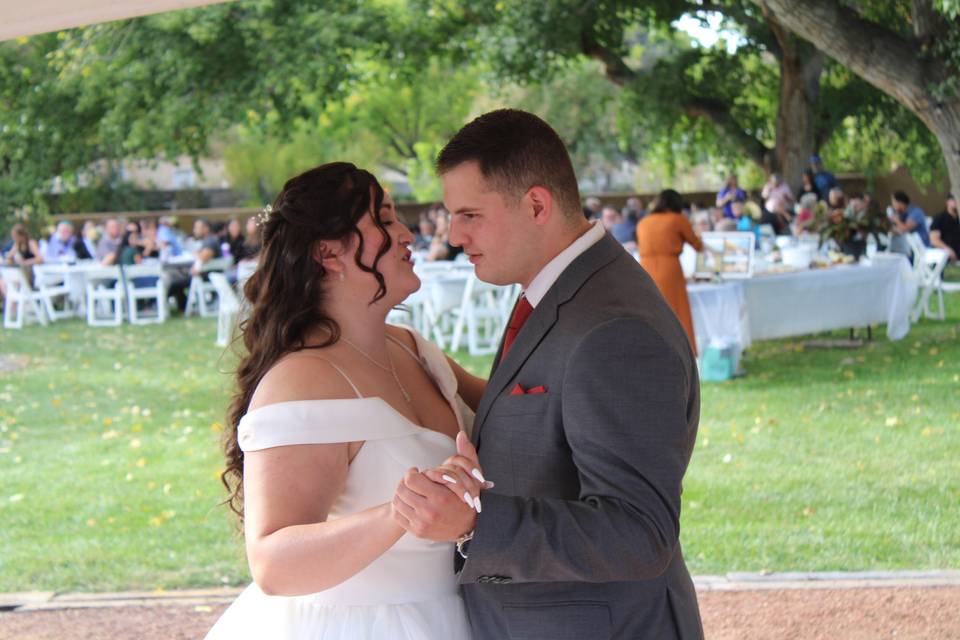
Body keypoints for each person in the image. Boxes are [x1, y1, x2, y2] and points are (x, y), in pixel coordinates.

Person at [395, 109, 703, 639]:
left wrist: (475, 524)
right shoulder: (564, 290)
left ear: (536, 204)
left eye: (470, 214)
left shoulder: (613, 328)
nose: (454, 235)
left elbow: (638, 532)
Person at [205, 163, 484, 639]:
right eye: (384, 220)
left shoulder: (414, 348)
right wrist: (398, 514)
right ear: (330, 253)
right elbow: (272, 563)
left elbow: (517, 411)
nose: (406, 236)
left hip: (456, 614)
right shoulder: (300, 380)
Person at [636, 189, 705, 355]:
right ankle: (681, 350)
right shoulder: (677, 219)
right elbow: (697, 245)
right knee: (676, 309)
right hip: (669, 267)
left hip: (644, 267)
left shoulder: (643, 221)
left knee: (649, 309)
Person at [1, 224, 43, 296]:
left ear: (21, 235)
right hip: (21, 272)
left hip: (32, 273)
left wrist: (25, 262)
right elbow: (9, 258)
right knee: (3, 281)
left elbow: (40, 259)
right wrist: (11, 256)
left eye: (15, 236)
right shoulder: (17, 245)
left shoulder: (31, 243)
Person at [930, 193, 959, 263]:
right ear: (947, 202)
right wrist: (948, 250)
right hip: (946, 254)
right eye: (953, 199)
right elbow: (934, 240)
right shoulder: (940, 218)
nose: (956, 201)